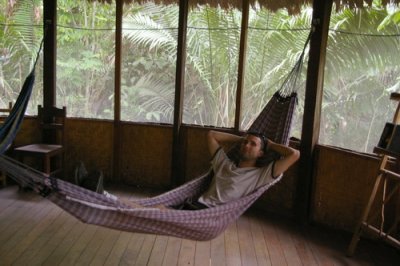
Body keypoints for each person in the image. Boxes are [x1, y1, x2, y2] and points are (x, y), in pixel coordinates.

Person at [176, 130, 300, 210]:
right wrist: (241, 139)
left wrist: (270, 145)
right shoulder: (223, 163)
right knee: (161, 209)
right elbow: (211, 135)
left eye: (253, 144)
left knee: (160, 211)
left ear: (261, 153)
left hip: (209, 213)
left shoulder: (260, 175)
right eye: (245, 143)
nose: (247, 145)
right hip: (194, 206)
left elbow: (294, 154)